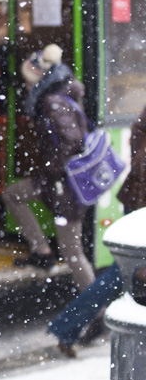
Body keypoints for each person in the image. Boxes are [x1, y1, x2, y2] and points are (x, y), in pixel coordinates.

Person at [48, 101, 146, 356]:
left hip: (137, 197)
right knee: (122, 274)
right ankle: (67, 327)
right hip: (142, 201)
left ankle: (68, 328)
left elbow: (137, 137)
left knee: (123, 273)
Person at [1, 44, 96, 290]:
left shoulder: (52, 101)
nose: (26, 86)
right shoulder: (58, 94)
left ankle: (98, 310)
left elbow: (72, 141)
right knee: (13, 195)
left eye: (28, 81)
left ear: (39, 78)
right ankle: (42, 250)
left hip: (66, 185)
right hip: (60, 181)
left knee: (73, 252)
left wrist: (52, 170)